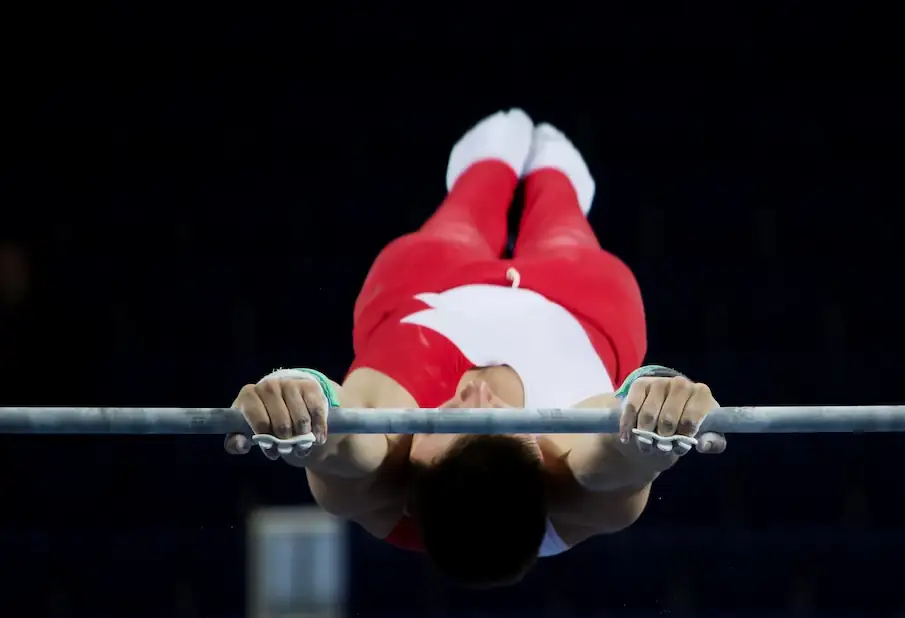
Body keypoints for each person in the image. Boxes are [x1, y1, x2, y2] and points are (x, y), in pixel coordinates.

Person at [226, 109, 727, 588]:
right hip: (573, 303)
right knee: (561, 219)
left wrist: (300, 405)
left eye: (445, 422)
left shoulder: (378, 480)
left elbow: (337, 442)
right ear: (542, 469)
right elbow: (623, 454)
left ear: (412, 474)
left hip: (426, 292)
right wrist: (659, 409)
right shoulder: (581, 487)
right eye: (512, 427)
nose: (478, 394)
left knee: (464, 213)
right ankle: (555, 174)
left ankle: (489, 167)